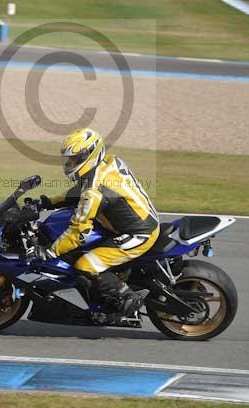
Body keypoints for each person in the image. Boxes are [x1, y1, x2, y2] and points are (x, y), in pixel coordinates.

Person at [36, 128, 160, 318]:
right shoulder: (108, 163)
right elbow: (79, 191)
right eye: (68, 159)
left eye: (75, 159)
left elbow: (77, 233)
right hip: (128, 222)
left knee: (86, 265)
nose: (70, 163)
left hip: (139, 233)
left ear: (89, 155)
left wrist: (50, 252)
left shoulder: (94, 192)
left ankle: (127, 297)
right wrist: (49, 202)